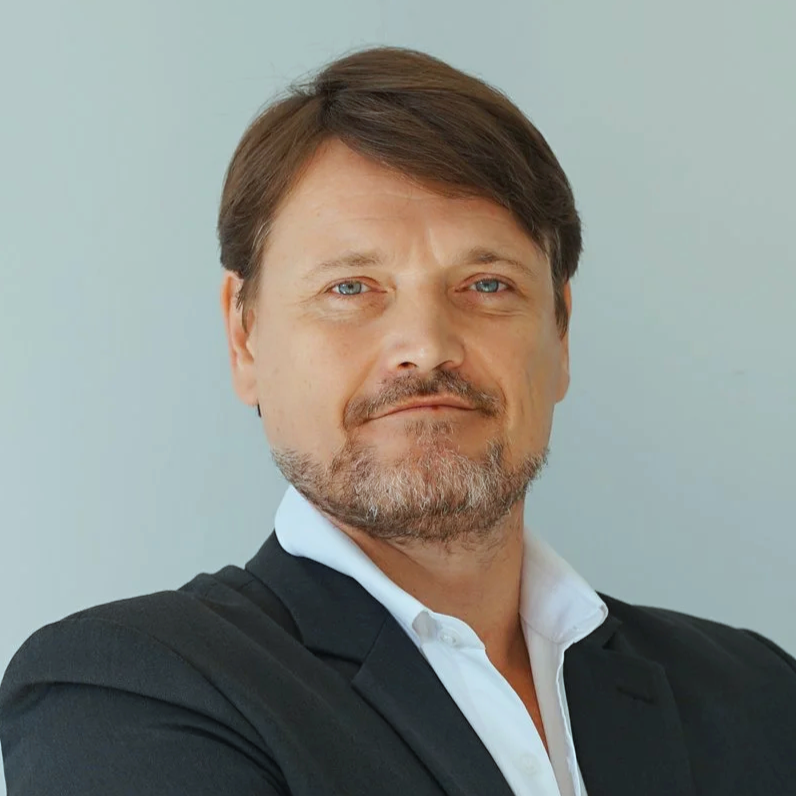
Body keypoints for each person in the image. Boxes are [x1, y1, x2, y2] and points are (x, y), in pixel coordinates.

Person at [1, 45, 794, 796]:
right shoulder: (127, 693)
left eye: (486, 285)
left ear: (559, 334)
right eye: (351, 288)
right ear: (244, 337)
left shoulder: (757, 694)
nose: (425, 346)